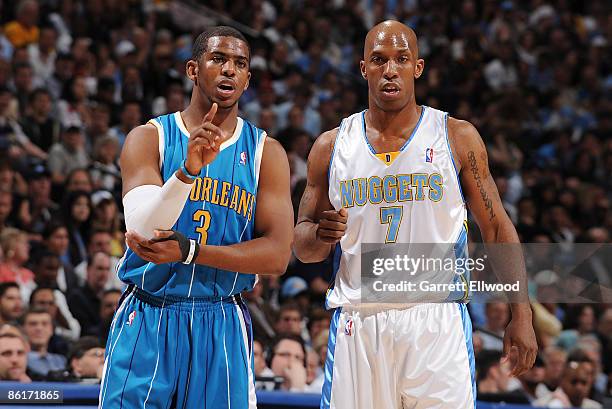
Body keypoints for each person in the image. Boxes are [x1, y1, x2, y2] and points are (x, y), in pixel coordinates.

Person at [293, 20, 537, 409]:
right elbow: (304, 249)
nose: (390, 69)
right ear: (363, 68)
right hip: (361, 319)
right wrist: (319, 235)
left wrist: (521, 314)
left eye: (401, 59)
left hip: (436, 320)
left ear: (417, 68)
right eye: (379, 60)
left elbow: (496, 226)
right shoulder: (331, 146)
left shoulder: (455, 136)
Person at [99, 26, 293, 409]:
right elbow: (142, 230)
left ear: (248, 78)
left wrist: (190, 251)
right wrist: (186, 173)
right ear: (193, 69)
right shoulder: (149, 137)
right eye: (218, 59)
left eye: (240, 64)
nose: (229, 71)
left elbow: (276, 256)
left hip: (221, 318)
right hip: (149, 312)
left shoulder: (265, 152)